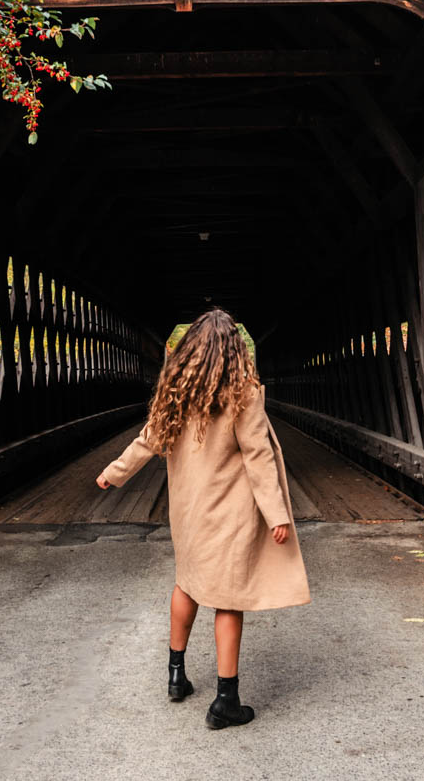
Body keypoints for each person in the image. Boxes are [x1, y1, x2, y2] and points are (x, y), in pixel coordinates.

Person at [96, 307, 310, 730]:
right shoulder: (243, 395)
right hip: (229, 514)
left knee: (187, 583)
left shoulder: (176, 393)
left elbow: (147, 441)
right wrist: (276, 515)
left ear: (191, 348)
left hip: (189, 512)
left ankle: (176, 676)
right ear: (235, 351)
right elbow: (259, 457)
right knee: (228, 599)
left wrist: (113, 472)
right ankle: (225, 701)